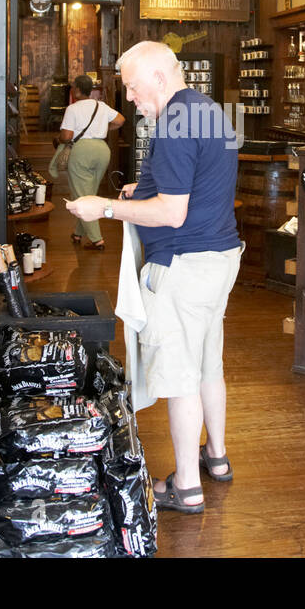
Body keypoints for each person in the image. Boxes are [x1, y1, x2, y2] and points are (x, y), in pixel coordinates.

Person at [65, 41, 241, 515]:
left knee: (181, 375)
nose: (130, 97)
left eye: (133, 86)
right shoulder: (207, 110)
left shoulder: (174, 124)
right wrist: (138, 192)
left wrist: (102, 206)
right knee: (208, 363)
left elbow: (172, 210)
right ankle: (216, 458)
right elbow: (195, 185)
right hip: (219, 258)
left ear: (160, 78)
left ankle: (186, 486)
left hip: (183, 266)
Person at [56, 74, 124, 250]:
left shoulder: (73, 108)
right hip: (102, 149)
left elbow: (67, 136)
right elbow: (120, 120)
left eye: (73, 87)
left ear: (77, 90)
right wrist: (103, 129)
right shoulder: (101, 106)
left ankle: (97, 239)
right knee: (89, 192)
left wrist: (59, 138)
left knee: (81, 195)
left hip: (82, 151)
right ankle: (78, 233)